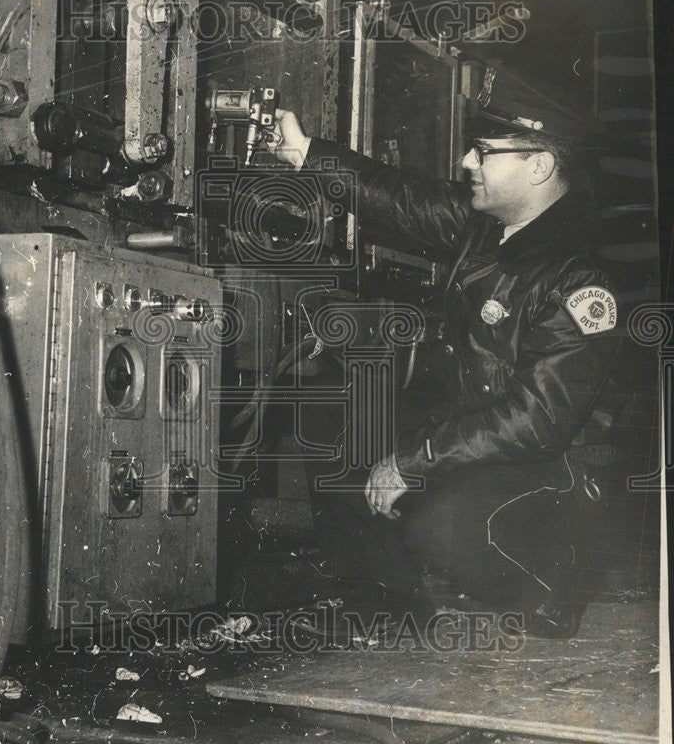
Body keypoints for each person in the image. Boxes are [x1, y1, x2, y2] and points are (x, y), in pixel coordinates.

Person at [264, 104, 621, 637]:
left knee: (440, 525)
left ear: (540, 166)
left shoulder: (577, 277)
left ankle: (552, 584)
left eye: (484, 152)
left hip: (551, 470)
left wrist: (416, 457)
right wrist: (305, 152)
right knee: (330, 409)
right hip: (471, 429)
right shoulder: (488, 226)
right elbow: (401, 197)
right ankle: (386, 606)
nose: (466, 160)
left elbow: (538, 421)